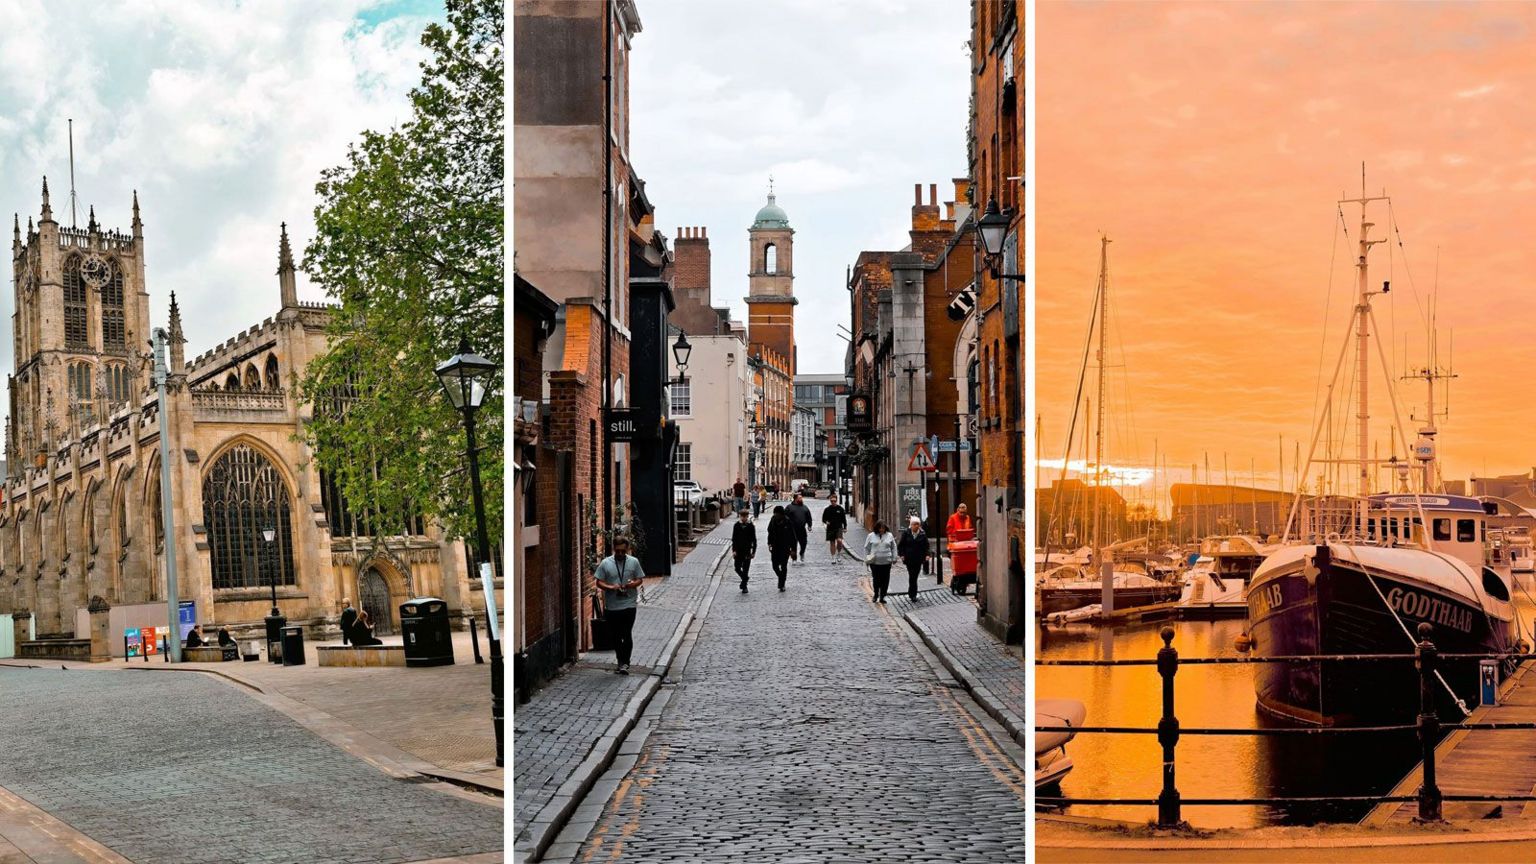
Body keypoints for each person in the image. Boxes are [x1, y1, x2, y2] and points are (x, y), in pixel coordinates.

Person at [594, 535, 645, 674]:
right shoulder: (606, 563)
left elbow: (639, 579)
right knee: (616, 635)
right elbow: (598, 581)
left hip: (629, 604)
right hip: (612, 605)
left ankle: (625, 663)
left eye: (623, 551)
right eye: (618, 551)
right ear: (613, 550)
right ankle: (620, 661)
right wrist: (610, 587)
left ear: (628, 549)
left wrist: (631, 584)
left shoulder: (633, 562)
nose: (621, 554)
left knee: (626, 633)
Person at [864, 520, 898, 603]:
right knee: (876, 579)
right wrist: (867, 559)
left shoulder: (889, 535)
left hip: (886, 562)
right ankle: (876, 595)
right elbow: (866, 548)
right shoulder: (871, 536)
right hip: (875, 562)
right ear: (877, 528)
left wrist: (894, 558)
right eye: (880, 528)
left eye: (883, 528)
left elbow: (893, 547)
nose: (881, 530)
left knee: (885, 580)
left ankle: (882, 596)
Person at [898, 516, 930, 601]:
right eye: (914, 524)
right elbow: (901, 545)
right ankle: (913, 594)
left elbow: (926, 546)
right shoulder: (906, 533)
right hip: (909, 558)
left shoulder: (922, 534)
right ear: (910, 525)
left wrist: (927, 554)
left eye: (917, 524)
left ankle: (912, 592)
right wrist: (902, 554)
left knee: (914, 576)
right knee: (912, 575)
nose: (916, 526)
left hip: (918, 558)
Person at [766, 505, 797, 591]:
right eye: (775, 514)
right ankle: (781, 577)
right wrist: (769, 544)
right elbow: (770, 532)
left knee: (784, 565)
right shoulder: (773, 520)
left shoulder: (788, 521)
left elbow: (793, 537)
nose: (776, 515)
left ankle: (782, 584)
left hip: (785, 547)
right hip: (775, 546)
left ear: (782, 514)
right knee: (774, 566)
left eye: (777, 514)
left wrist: (793, 550)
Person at [732, 508, 757, 592]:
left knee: (746, 568)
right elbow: (734, 539)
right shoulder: (736, 525)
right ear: (740, 516)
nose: (743, 518)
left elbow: (754, 539)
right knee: (737, 568)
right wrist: (734, 550)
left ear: (747, 516)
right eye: (742, 516)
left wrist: (753, 551)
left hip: (747, 550)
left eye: (745, 517)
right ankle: (745, 578)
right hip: (738, 550)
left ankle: (744, 586)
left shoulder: (750, 526)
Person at [785, 493, 813, 564]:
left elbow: (808, 517)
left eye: (801, 498)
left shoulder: (805, 507)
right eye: (799, 498)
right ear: (795, 499)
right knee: (793, 545)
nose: (801, 499)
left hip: (802, 529)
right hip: (792, 530)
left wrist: (809, 525)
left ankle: (802, 553)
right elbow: (785, 517)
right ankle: (794, 559)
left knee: (804, 543)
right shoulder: (789, 507)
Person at [822, 495, 849, 561]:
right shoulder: (827, 509)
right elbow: (823, 519)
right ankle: (833, 557)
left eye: (834, 501)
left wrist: (845, 527)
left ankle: (839, 554)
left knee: (839, 541)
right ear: (830, 501)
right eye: (832, 501)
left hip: (839, 527)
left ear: (836, 501)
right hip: (830, 528)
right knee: (832, 543)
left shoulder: (840, 509)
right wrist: (826, 522)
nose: (833, 502)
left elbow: (844, 519)